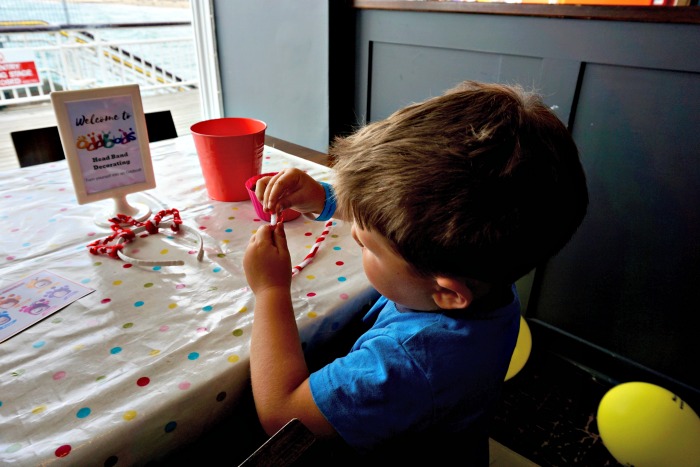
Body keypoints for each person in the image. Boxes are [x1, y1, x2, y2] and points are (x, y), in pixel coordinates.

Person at [242, 80, 589, 464]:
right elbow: (414, 228)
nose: (355, 236)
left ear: (448, 293)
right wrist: (327, 198)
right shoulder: (487, 275)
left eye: (365, 245)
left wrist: (270, 289)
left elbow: (281, 414)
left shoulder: (406, 363)